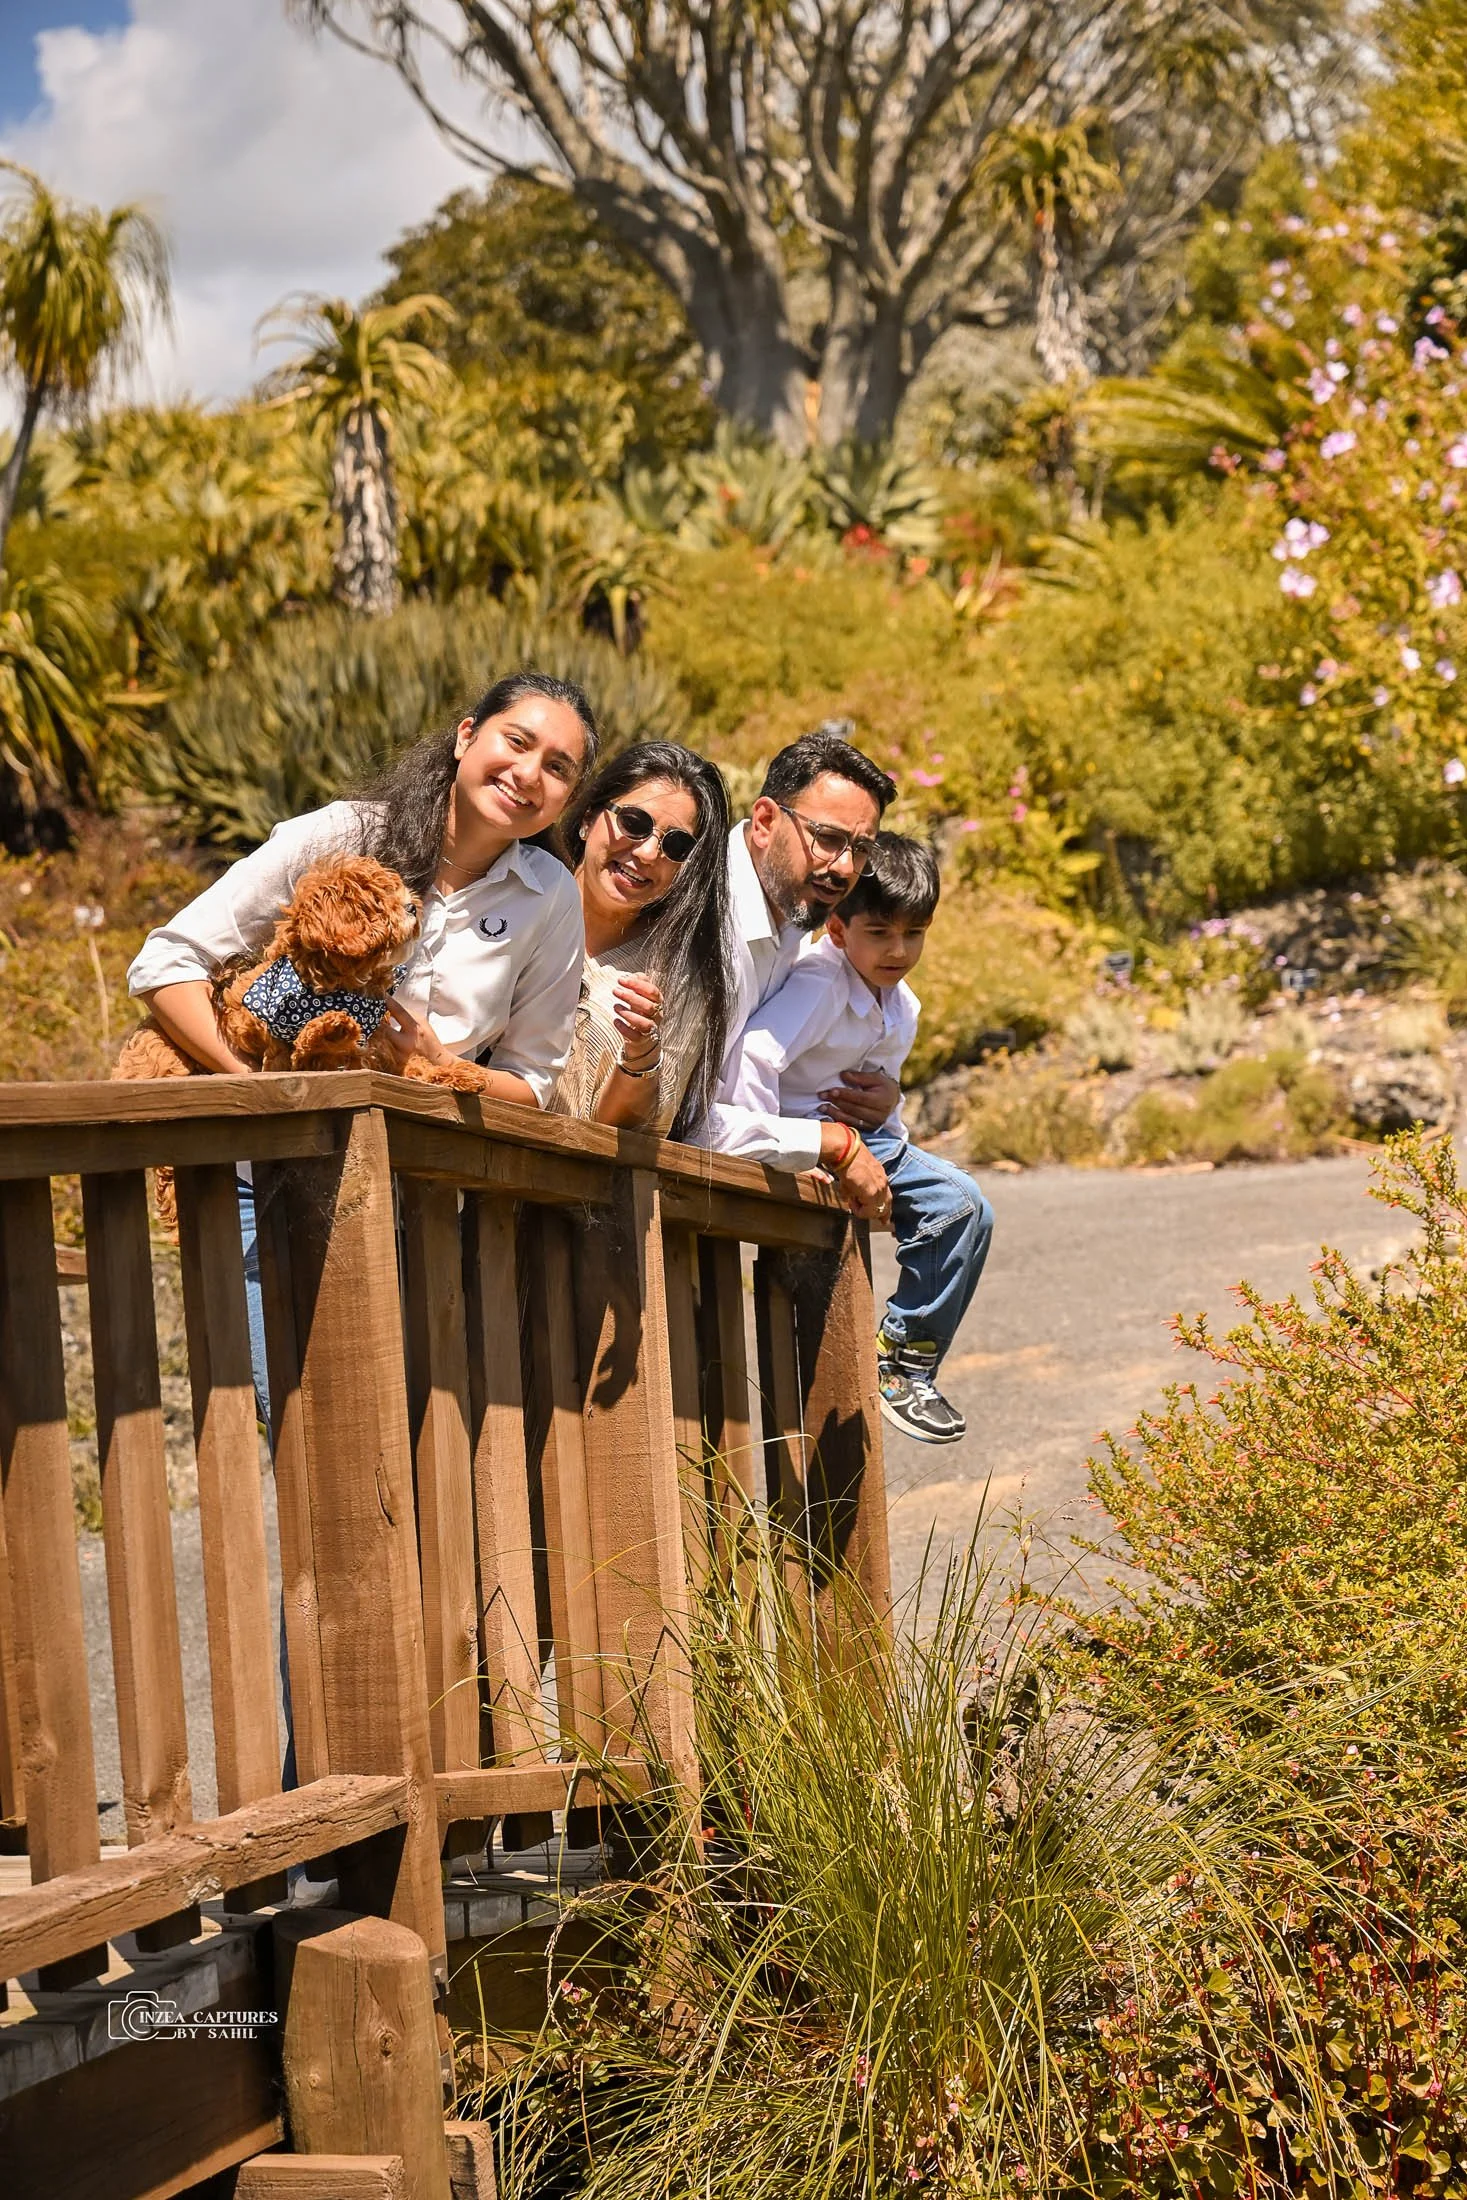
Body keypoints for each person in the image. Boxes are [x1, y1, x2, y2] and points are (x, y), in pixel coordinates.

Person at [126, 667, 599, 1786]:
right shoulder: (345, 836)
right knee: (310, 1477)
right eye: (516, 743)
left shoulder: (547, 898)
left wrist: (430, 1069)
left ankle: (379, 1778)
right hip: (266, 1193)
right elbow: (167, 964)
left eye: (558, 767)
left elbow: (536, 1081)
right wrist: (264, 1085)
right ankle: (309, 1791)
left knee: (397, 1488)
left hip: (406, 1212)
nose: (527, 775)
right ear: (468, 733)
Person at [715, 832, 993, 1445]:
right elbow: (757, 1056)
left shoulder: (904, 1005)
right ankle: (901, 1355)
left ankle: (909, 1359)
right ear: (838, 931)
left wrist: (893, 1120)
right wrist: (783, 1152)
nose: (899, 950)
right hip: (807, 1142)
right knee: (960, 1201)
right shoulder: (822, 981)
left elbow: (882, 1097)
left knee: (967, 1210)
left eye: (914, 933)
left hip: (870, 1143)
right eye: (880, 932)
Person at [707, 725, 899, 1222]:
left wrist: (872, 1098)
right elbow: (670, 1118)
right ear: (765, 821)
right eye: (828, 839)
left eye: (861, 849)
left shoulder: (793, 912)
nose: (843, 868)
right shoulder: (703, 918)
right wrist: (828, 1143)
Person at [550, 742, 734, 1139]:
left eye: (676, 845)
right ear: (588, 817)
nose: (649, 853)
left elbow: (631, 1136)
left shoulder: (677, 979)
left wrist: (640, 1054)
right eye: (634, 822)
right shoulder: (519, 893)